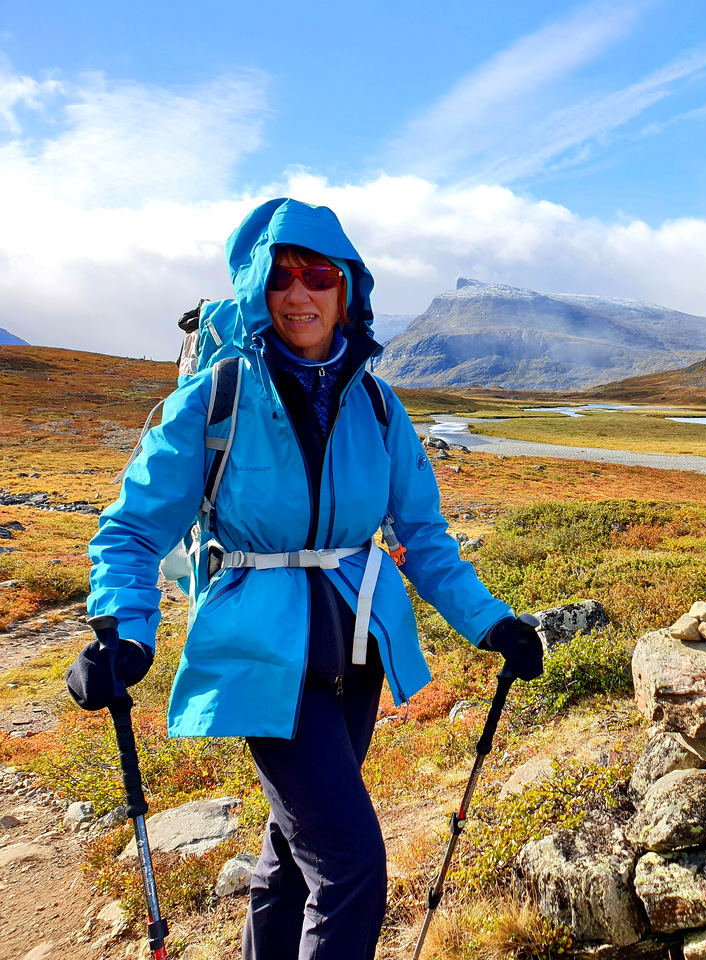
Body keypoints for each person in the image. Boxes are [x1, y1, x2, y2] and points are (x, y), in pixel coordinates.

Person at [66, 198, 543, 959]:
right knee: (351, 864)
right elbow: (131, 528)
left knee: (290, 862)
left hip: (357, 658)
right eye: (281, 277)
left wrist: (492, 622)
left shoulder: (380, 408)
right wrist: (122, 632)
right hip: (261, 658)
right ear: (258, 289)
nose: (300, 293)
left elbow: (422, 537)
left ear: (348, 289)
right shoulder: (214, 400)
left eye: (319, 274)